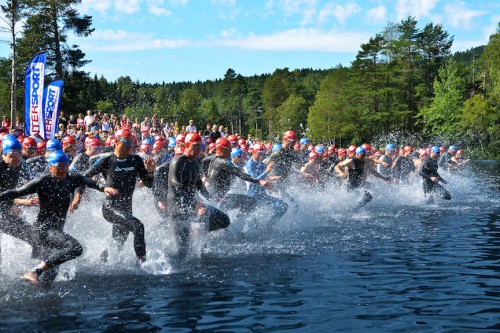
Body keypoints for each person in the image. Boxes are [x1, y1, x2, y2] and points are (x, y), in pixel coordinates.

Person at [0, 150, 118, 287]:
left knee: (51, 274)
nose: (62, 170)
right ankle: (34, 272)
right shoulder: (42, 181)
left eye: (65, 166)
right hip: (43, 230)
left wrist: (103, 188)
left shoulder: (72, 178)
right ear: (50, 167)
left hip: (55, 230)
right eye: (58, 166)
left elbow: (90, 182)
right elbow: (16, 192)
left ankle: (41, 299)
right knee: (75, 248)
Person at [81, 129, 155, 263]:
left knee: (117, 244)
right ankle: (143, 264)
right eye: (126, 143)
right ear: (116, 142)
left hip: (126, 208)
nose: (129, 147)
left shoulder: (136, 160)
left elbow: (149, 184)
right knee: (138, 226)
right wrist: (101, 188)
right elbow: (83, 179)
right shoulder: (107, 161)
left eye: (131, 144)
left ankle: (100, 263)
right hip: (110, 207)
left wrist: (150, 172)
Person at [167, 133, 230, 254]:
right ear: (187, 145)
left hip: (192, 205)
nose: (198, 149)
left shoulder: (196, 162)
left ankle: (199, 231)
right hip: (177, 208)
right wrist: (194, 204)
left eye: (200, 146)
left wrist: (211, 197)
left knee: (224, 220)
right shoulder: (177, 162)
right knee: (184, 250)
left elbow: (199, 184)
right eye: (195, 146)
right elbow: (177, 187)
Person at [205, 137, 269, 217]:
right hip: (220, 198)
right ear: (223, 149)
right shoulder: (224, 162)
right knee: (250, 201)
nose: (231, 151)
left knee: (224, 220)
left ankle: (234, 225)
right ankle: (238, 225)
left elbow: (203, 161)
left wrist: (204, 175)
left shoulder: (214, 157)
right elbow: (240, 174)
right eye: (229, 148)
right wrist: (259, 181)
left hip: (213, 196)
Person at [0, 135, 38, 260]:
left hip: (4, 214)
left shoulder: (19, 165)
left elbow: (32, 183)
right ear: (4, 154)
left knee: (36, 238)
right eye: (12, 153)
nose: (17, 156)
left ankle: (36, 271)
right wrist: (21, 202)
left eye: (19, 152)